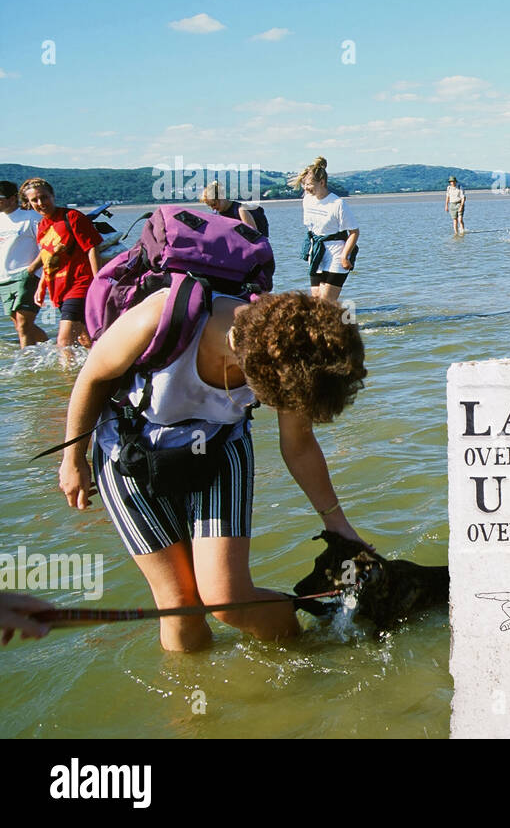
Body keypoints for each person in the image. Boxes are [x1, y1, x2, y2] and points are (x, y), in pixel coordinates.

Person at [57, 290, 369, 651]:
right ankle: (195, 706)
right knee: (179, 606)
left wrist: (337, 524)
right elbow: (92, 376)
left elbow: (298, 446)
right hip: (128, 451)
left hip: (218, 447)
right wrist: (73, 458)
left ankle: (310, 664)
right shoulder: (160, 318)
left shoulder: (292, 357)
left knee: (228, 599)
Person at [24, 178, 102, 357]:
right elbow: (47, 258)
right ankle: (107, 376)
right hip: (60, 288)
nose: (40, 203)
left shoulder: (72, 217)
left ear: (52, 196)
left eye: (44, 197)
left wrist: (98, 280)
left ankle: (68, 383)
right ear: (29, 203)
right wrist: (41, 286)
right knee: (85, 339)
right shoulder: (42, 225)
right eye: (34, 200)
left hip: (80, 284)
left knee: (64, 342)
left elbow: (91, 247)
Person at [292, 157, 359, 302]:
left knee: (326, 301)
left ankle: (337, 324)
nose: (305, 188)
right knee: (316, 297)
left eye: (309, 184)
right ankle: (330, 322)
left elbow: (354, 232)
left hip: (336, 252)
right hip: (317, 251)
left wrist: (345, 256)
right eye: (304, 184)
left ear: (322, 182)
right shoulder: (308, 199)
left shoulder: (338, 203)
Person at [0, 181, 49, 347]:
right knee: (21, 326)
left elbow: (46, 247)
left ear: (13, 198)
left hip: (26, 276)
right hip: (4, 279)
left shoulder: (32, 218)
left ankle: (26, 362)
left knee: (23, 325)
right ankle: (50, 347)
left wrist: (32, 269)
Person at [200, 181, 267, 236]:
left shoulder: (241, 210)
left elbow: (254, 237)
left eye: (214, 204)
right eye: (210, 206)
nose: (213, 208)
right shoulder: (216, 214)